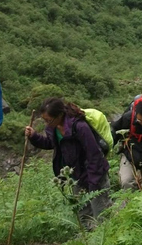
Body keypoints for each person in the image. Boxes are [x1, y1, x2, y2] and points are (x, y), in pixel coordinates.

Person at [24, 98, 111, 230]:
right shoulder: (53, 128)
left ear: (59, 115)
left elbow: (94, 155)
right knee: (83, 213)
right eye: (45, 120)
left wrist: (94, 181)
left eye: (49, 120)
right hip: (77, 175)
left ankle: (107, 244)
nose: (47, 123)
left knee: (101, 211)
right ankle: (88, 244)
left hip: (95, 173)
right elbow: (51, 144)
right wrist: (34, 136)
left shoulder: (79, 127)